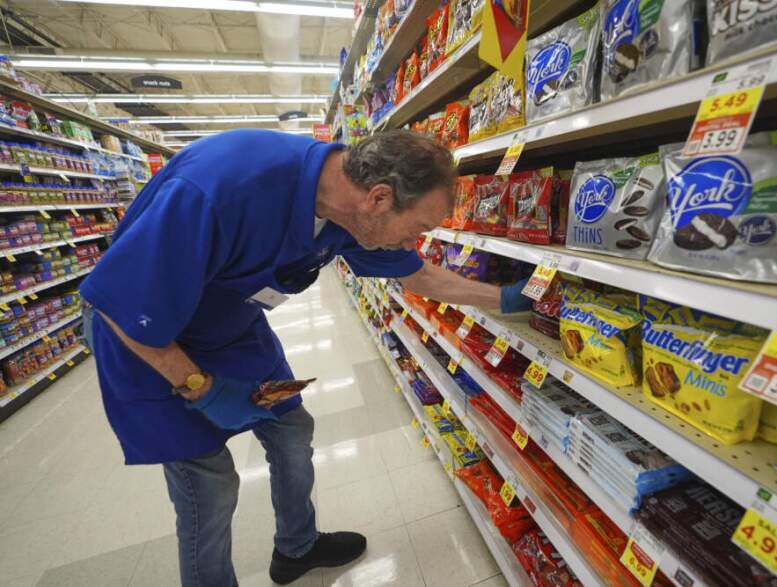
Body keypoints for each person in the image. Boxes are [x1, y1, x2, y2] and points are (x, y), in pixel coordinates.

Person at [80, 128, 533, 586]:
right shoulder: (219, 186)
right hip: (148, 334)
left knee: (291, 429)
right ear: (379, 198)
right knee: (209, 481)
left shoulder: (351, 213)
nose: (413, 241)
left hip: (234, 324)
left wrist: (509, 299)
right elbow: (124, 304)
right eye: (418, 228)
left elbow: (420, 276)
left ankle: (297, 548)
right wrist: (201, 387)